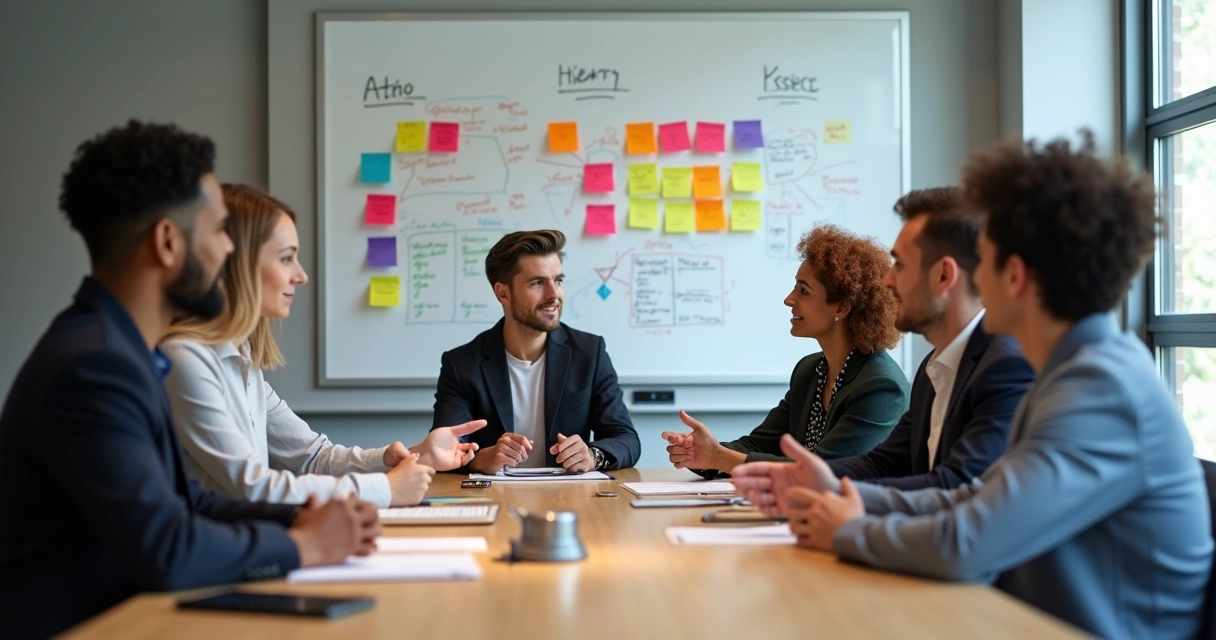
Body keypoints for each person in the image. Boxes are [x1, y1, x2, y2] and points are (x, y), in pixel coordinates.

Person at [732, 131, 1214, 639]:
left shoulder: (1102, 389)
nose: (972, 279)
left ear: (1015, 276)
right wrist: (842, 493)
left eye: (981, 259)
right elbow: (976, 498)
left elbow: (970, 539)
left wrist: (850, 529)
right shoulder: (1077, 372)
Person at [0, 121, 380, 639]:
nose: (229, 252)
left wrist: (301, 518)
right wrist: (305, 546)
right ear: (167, 242)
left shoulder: (121, 351)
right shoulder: (94, 368)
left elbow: (190, 504)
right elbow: (168, 549)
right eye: (220, 230)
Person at [162, 184, 486, 507]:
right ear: (238, 265)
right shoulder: (186, 359)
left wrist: (417, 454)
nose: (301, 275)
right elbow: (253, 487)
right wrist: (385, 489)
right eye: (287, 259)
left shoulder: (241, 359)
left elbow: (313, 457)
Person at [823, 188, 1034, 489]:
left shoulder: (1006, 366)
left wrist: (843, 495)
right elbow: (883, 464)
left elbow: (957, 485)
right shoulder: (932, 368)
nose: (886, 280)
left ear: (944, 276)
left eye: (900, 264)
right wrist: (805, 476)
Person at [662, 224, 910, 476]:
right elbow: (759, 443)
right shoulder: (810, 370)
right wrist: (703, 454)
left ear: (841, 308)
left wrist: (718, 457)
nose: (789, 299)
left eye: (803, 291)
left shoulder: (881, 387)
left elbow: (822, 471)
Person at [432, 229, 640, 473]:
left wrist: (593, 456)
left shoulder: (589, 353)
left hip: (568, 499)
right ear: (503, 293)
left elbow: (626, 439)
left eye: (558, 281)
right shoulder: (462, 364)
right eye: (538, 283)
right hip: (495, 500)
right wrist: (483, 459)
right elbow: (444, 449)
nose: (554, 295)